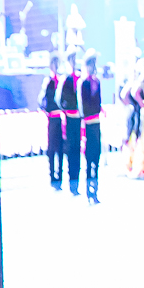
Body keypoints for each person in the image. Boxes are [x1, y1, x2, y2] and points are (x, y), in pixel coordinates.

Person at [79, 58, 105, 204]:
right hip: (88, 124)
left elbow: (98, 102)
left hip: (96, 124)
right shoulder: (84, 83)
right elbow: (84, 106)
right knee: (89, 159)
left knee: (96, 157)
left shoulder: (97, 82)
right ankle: (89, 190)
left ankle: (95, 189)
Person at [60, 53, 85, 196]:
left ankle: (77, 182)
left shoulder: (80, 78)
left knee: (77, 149)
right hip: (70, 118)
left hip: (78, 119)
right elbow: (60, 99)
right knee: (71, 150)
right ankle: (72, 183)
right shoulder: (66, 79)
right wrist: (67, 108)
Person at [41, 56, 66, 191]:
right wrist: (46, 110)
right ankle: (52, 175)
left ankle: (60, 175)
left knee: (60, 148)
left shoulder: (61, 81)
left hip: (60, 118)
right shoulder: (48, 82)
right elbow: (42, 100)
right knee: (51, 148)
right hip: (52, 118)